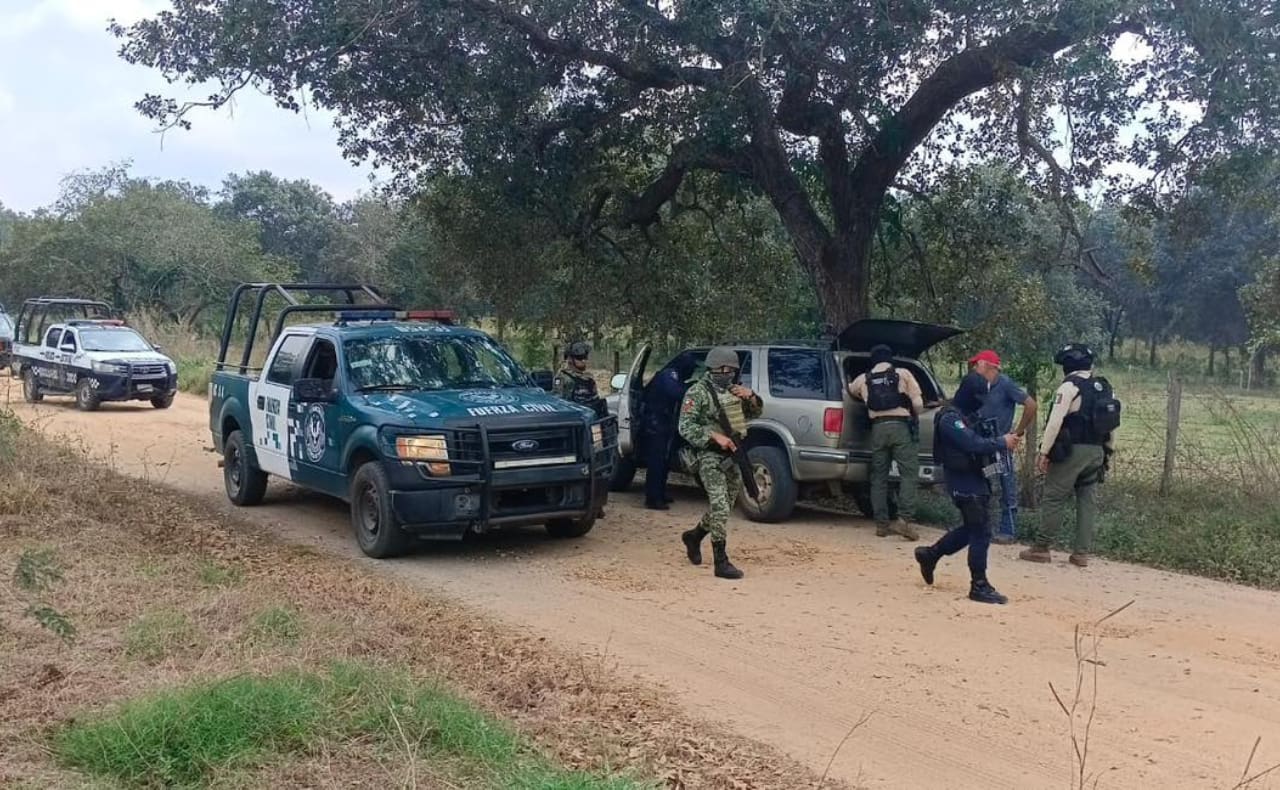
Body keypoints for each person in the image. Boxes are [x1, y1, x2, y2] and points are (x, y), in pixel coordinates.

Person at [914, 372, 1022, 605]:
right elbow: (970, 443)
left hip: (975, 478)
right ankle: (978, 585)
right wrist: (1001, 442)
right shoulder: (949, 418)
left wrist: (996, 442)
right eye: (978, 397)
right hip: (962, 481)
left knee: (974, 527)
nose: (981, 403)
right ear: (969, 394)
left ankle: (930, 555)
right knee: (981, 531)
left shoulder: (966, 415)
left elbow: (978, 440)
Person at [1021, 343, 1119, 568]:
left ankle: (1042, 548)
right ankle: (1081, 554)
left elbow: (1055, 422)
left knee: (1054, 497)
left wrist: (1044, 451)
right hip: (1096, 451)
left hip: (1071, 450)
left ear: (1067, 365)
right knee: (1087, 501)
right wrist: (1108, 452)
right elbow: (1112, 426)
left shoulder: (1069, 387)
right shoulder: (1105, 387)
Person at [677, 346, 762, 580]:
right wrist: (713, 436)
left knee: (724, 505)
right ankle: (721, 561)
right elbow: (685, 426)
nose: (730, 375)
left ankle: (694, 536)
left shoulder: (733, 391)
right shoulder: (698, 392)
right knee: (720, 506)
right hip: (709, 455)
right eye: (727, 370)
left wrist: (751, 397)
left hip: (733, 454)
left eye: (733, 371)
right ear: (716, 369)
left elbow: (754, 413)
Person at [848, 344, 924, 540]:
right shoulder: (903, 373)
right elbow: (918, 404)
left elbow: (850, 390)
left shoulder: (864, 379)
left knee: (879, 477)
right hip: (900, 427)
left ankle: (881, 525)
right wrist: (915, 412)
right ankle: (904, 521)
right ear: (891, 359)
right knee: (908, 473)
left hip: (878, 429)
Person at [970, 349, 1038, 544]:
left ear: (989, 366)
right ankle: (983, 526)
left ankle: (1008, 530)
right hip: (982, 444)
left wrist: (1017, 433)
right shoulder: (979, 386)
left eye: (978, 364)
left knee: (1005, 484)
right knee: (984, 482)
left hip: (1000, 446)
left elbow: (1031, 405)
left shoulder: (1005, 384)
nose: (975, 367)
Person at [553, 341, 608, 518]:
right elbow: (560, 405)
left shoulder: (588, 378)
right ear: (569, 359)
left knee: (599, 461)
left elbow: (595, 399)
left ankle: (597, 503)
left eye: (585, 357)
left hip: (592, 424)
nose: (583, 361)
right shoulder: (563, 378)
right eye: (579, 358)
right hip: (575, 428)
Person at [642, 366, 684, 510]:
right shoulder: (669, 374)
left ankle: (660, 493)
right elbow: (676, 392)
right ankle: (653, 498)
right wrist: (690, 390)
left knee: (663, 461)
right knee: (657, 462)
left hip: (662, 422)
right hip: (656, 423)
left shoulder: (671, 374)